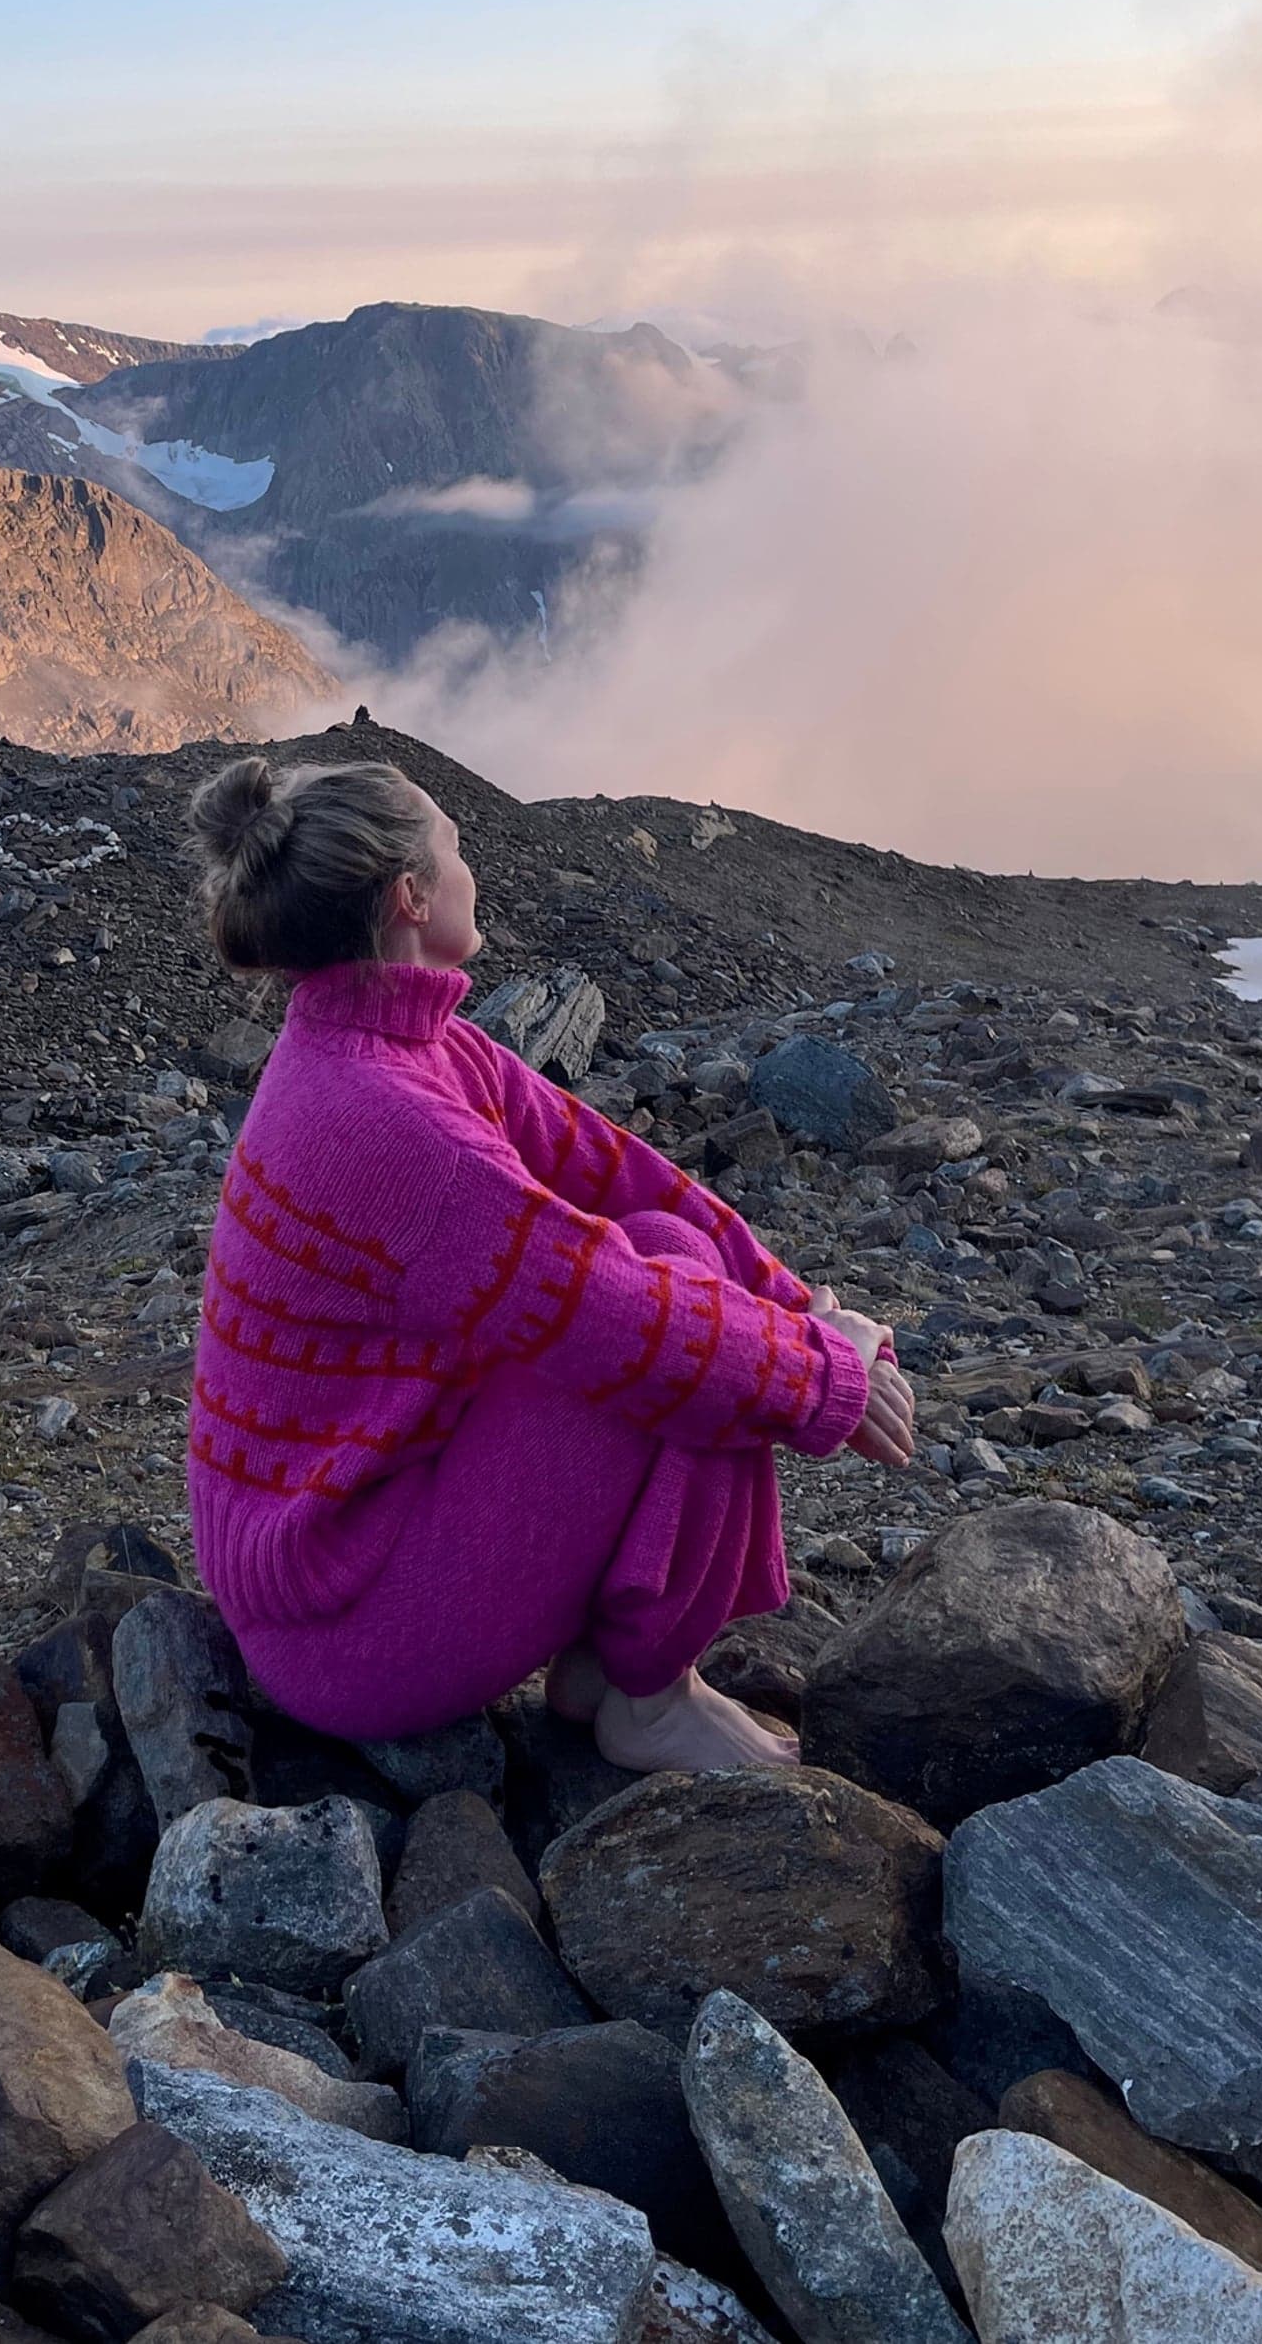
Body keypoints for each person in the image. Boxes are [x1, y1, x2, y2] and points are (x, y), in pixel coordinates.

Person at [183, 753, 915, 1775]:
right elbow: (624, 1318)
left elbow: (629, 1179)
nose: (473, 868)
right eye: (456, 846)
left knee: (676, 1254)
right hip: (342, 1629)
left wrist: (805, 1310)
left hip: (336, 1552)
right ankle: (650, 1696)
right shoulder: (390, 1124)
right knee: (684, 1339)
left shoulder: (405, 1044)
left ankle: (604, 1671)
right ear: (410, 896)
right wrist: (824, 1372)